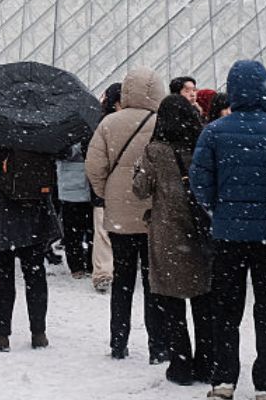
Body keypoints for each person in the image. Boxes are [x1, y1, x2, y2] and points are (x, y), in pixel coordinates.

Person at [191, 60, 266, 400]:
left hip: (228, 235)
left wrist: (218, 211)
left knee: (226, 310)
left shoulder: (214, 132)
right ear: (265, 90)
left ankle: (224, 380)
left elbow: (199, 182)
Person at [85, 66, 168, 362]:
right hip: (153, 213)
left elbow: (94, 167)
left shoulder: (109, 123)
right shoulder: (161, 122)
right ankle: (158, 346)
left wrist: (108, 193)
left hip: (119, 214)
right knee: (153, 283)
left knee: (122, 281)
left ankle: (118, 342)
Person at [133, 94, 213, 386]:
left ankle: (181, 365)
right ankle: (207, 362)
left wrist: (137, 170)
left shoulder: (155, 151)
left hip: (168, 233)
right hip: (200, 230)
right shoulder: (203, 143)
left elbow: (140, 189)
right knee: (203, 300)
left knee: (172, 302)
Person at [0, 135, 60, 352]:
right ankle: (39, 332)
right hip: (35, 207)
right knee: (35, 272)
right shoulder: (42, 128)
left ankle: (1, 334)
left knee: (3, 273)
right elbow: (59, 156)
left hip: (1, 209)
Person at [92, 82, 122, 294]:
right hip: (124, 188)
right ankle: (113, 271)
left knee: (102, 232)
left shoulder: (99, 124)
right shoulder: (140, 122)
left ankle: (104, 273)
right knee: (119, 232)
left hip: (104, 187)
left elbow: (92, 159)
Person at [56, 141, 93, 278]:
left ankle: (77, 266)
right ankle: (89, 265)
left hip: (70, 188)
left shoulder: (64, 133)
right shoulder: (91, 131)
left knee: (73, 232)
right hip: (87, 188)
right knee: (89, 231)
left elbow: (61, 153)